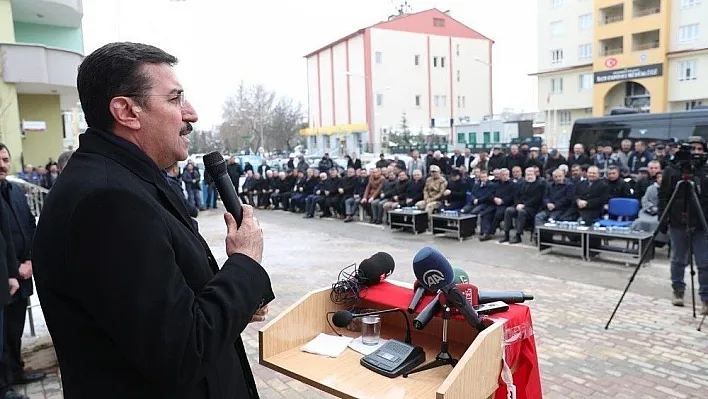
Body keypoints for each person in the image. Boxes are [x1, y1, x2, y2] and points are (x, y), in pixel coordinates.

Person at [31, 42, 274, 398]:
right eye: (175, 99)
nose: (190, 113)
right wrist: (245, 262)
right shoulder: (108, 201)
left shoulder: (131, 181)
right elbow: (181, 352)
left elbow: (172, 299)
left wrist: (240, 296)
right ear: (127, 111)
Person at [0, 144, 46, 399]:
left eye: (5, 159)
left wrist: (29, 260)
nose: (2, 165)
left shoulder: (15, 190)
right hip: (4, 276)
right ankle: (4, 384)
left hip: (23, 273)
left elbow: (29, 224)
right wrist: (12, 267)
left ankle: (16, 372)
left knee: (15, 328)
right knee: (3, 332)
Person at [658, 136, 708, 315]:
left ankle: (706, 298)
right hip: (678, 222)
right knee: (678, 259)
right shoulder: (672, 171)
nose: (696, 152)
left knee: (704, 262)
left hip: (702, 224)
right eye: (692, 149)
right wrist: (662, 220)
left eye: (699, 149)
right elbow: (663, 197)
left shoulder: (705, 170)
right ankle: (678, 290)